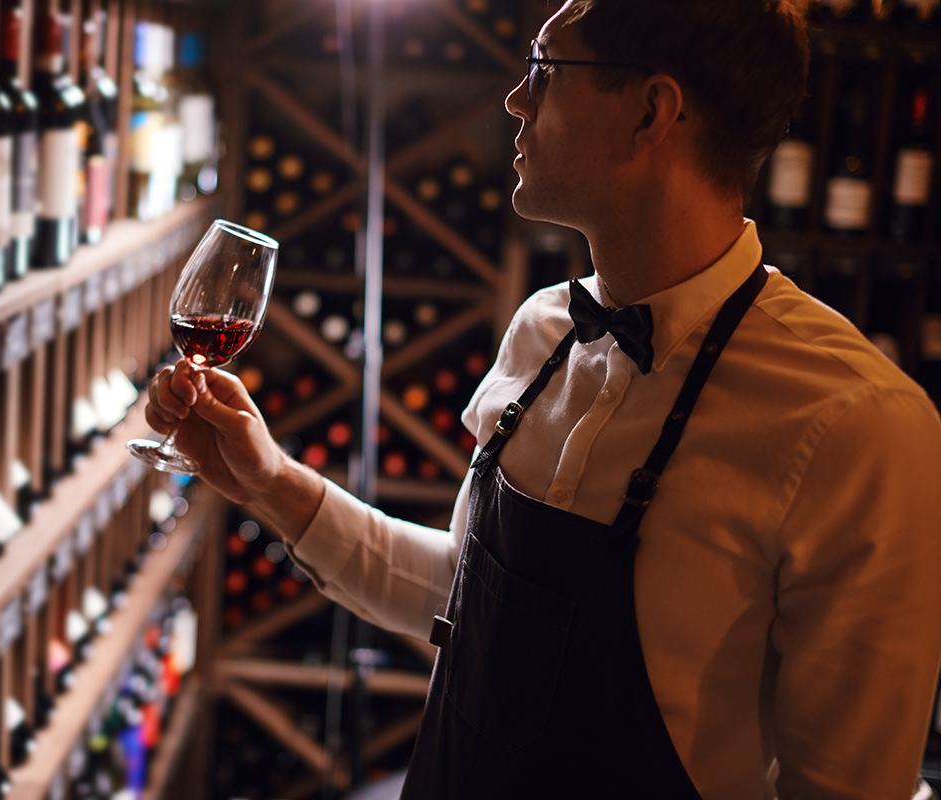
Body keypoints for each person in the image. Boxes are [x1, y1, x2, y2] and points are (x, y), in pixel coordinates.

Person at [145, 0, 941, 797]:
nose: (514, 100)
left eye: (543, 70)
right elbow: (460, 600)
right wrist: (269, 483)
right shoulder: (542, 329)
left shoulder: (857, 425)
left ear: (651, 113)